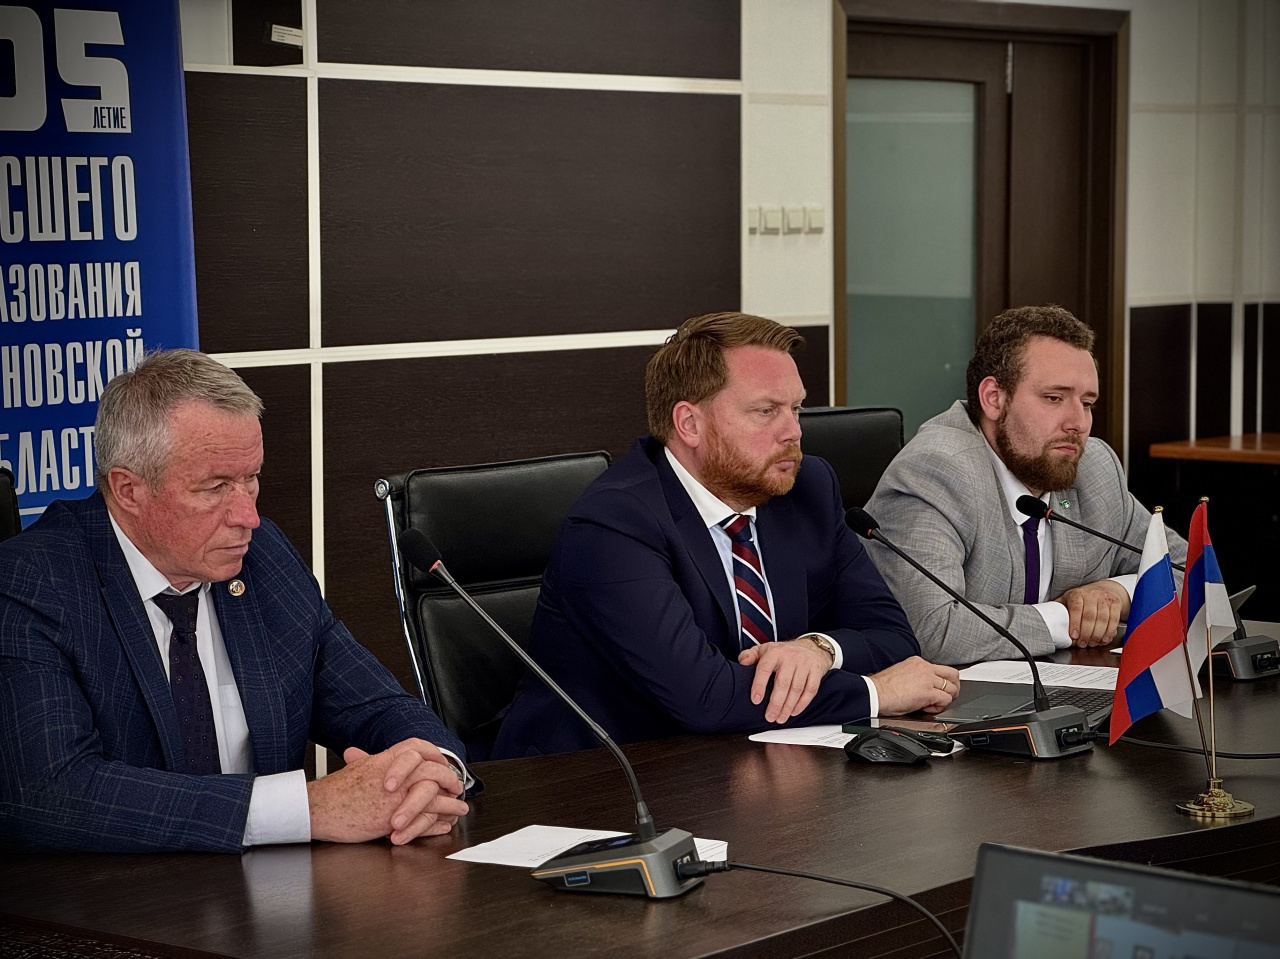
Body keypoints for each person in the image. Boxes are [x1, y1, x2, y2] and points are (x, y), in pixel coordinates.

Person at [0, 350, 471, 853]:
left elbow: (376, 706)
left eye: (251, 478)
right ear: (128, 489)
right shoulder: (32, 583)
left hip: (273, 891)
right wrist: (308, 808)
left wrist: (433, 772)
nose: (248, 516)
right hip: (111, 894)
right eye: (216, 487)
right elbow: (49, 792)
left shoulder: (263, 558)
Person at [493, 312, 959, 757]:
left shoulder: (807, 489)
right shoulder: (614, 523)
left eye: (796, 408)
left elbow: (894, 636)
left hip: (755, 760)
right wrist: (874, 692)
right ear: (689, 424)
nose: (794, 432)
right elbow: (705, 697)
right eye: (766, 411)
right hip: (597, 780)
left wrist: (818, 649)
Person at [864, 305, 1189, 665]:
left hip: (1065, 686)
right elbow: (933, 631)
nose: (1078, 423)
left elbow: (1191, 571)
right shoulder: (937, 471)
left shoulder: (1093, 467)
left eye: (1087, 403)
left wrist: (1114, 593)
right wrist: (1067, 618)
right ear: (994, 398)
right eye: (1054, 398)